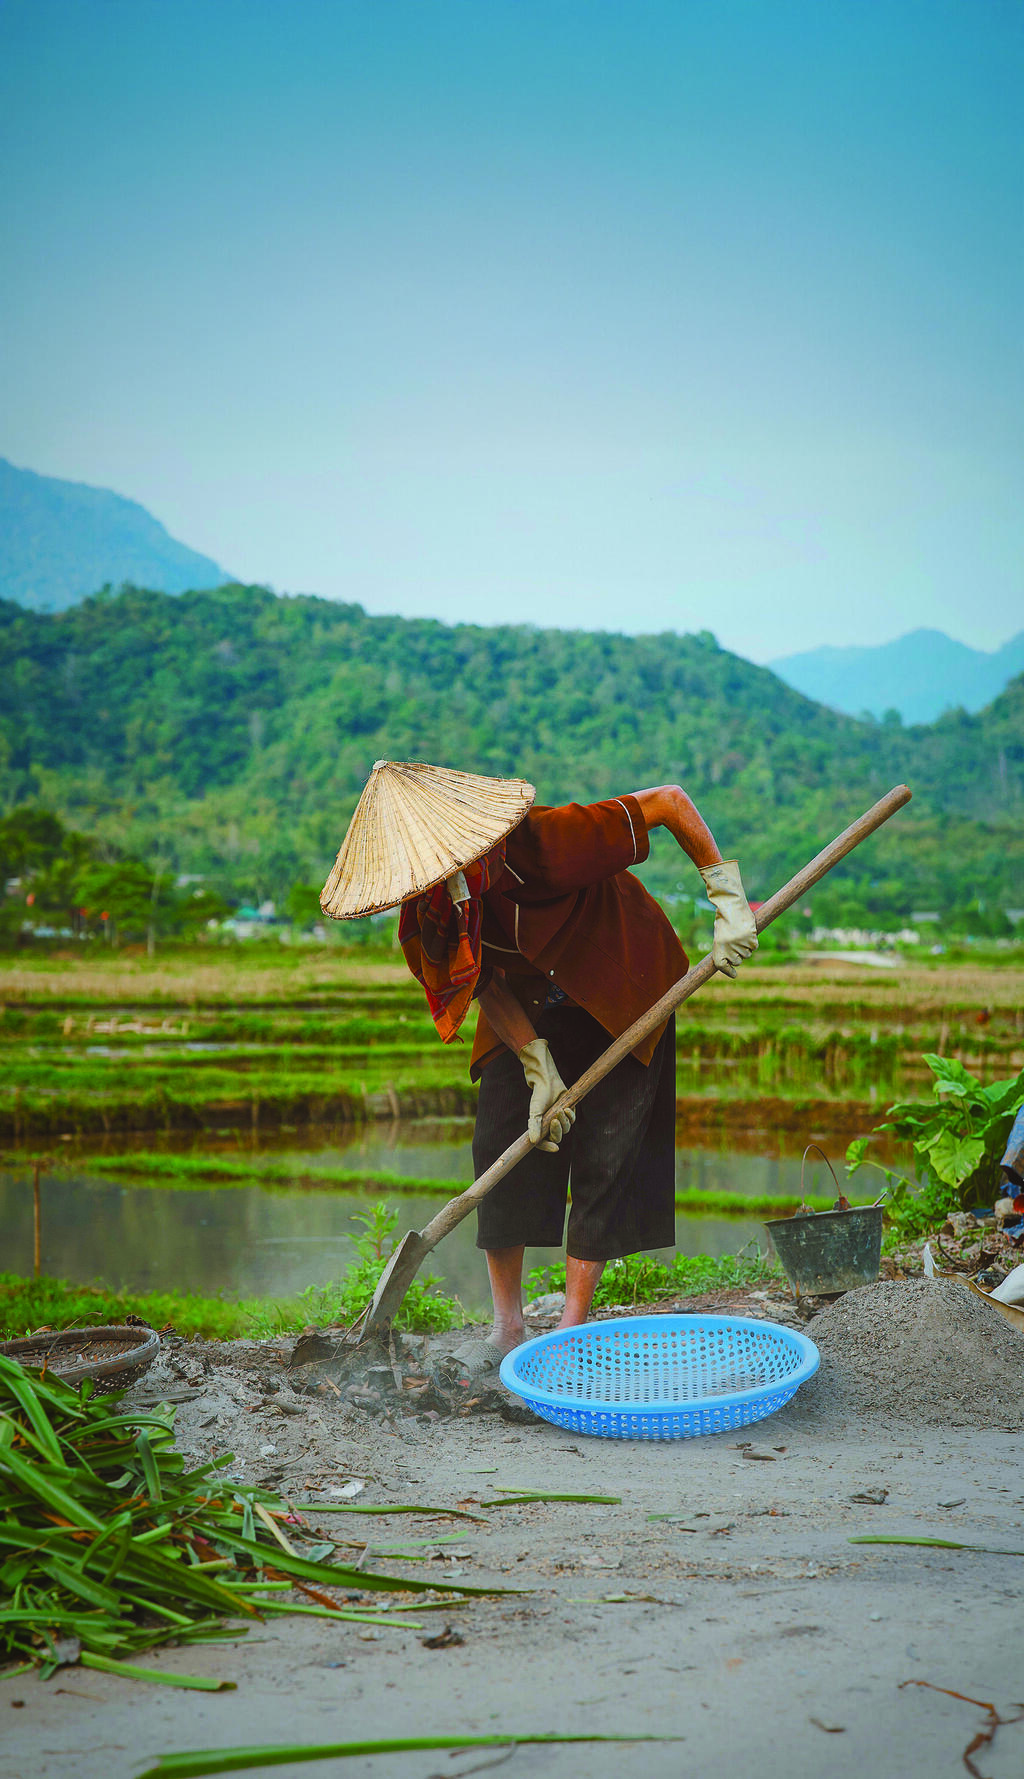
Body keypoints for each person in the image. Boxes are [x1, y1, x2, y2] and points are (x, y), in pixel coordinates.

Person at [321, 763, 758, 1385]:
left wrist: (727, 900)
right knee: (500, 1139)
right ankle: (508, 1327)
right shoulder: (430, 916)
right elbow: (482, 983)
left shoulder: (546, 840)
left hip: (620, 983)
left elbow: (668, 801)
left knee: (607, 1151)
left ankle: (571, 1329)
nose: (432, 882)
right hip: (527, 1006)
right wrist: (535, 1062)